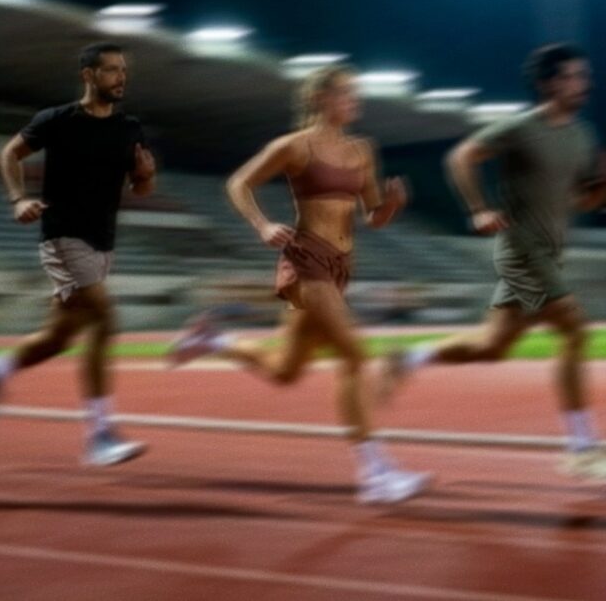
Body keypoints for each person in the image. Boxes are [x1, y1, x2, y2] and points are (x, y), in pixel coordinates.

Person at [169, 65, 431, 504]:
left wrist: (393, 206)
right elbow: (239, 183)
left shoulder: (362, 150)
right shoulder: (293, 146)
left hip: (341, 266)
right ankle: (376, 474)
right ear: (322, 98)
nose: (356, 101)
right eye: (347, 93)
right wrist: (261, 224)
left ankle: (213, 342)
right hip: (306, 261)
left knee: (285, 370)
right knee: (355, 355)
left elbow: (373, 216)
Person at [381, 43, 606, 478]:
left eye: (585, 75)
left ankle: (407, 357)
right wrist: (479, 207)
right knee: (575, 330)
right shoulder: (520, 128)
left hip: (550, 253)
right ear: (548, 83)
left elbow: (581, 199)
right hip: (523, 249)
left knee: (492, 347)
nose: (585, 82)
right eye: (575, 75)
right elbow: (461, 157)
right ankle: (581, 446)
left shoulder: (582, 137)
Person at [0, 42, 155, 466]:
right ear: (89, 75)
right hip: (62, 236)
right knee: (105, 321)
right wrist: (18, 197)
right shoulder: (56, 120)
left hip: (103, 240)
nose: (121, 77)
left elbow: (141, 187)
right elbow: (9, 154)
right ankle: (99, 435)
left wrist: (145, 177)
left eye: (123, 70)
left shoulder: (130, 128)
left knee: (59, 337)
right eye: (111, 70)